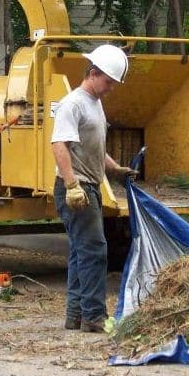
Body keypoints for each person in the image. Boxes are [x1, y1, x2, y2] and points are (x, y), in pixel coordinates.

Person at [51, 44, 136, 333]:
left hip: (90, 185)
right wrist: (72, 184)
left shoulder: (95, 103)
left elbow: (93, 146)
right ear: (93, 73)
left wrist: (114, 168)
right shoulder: (73, 103)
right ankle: (94, 317)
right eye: (109, 81)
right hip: (77, 189)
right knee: (95, 251)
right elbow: (59, 144)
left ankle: (76, 316)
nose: (111, 88)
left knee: (80, 251)